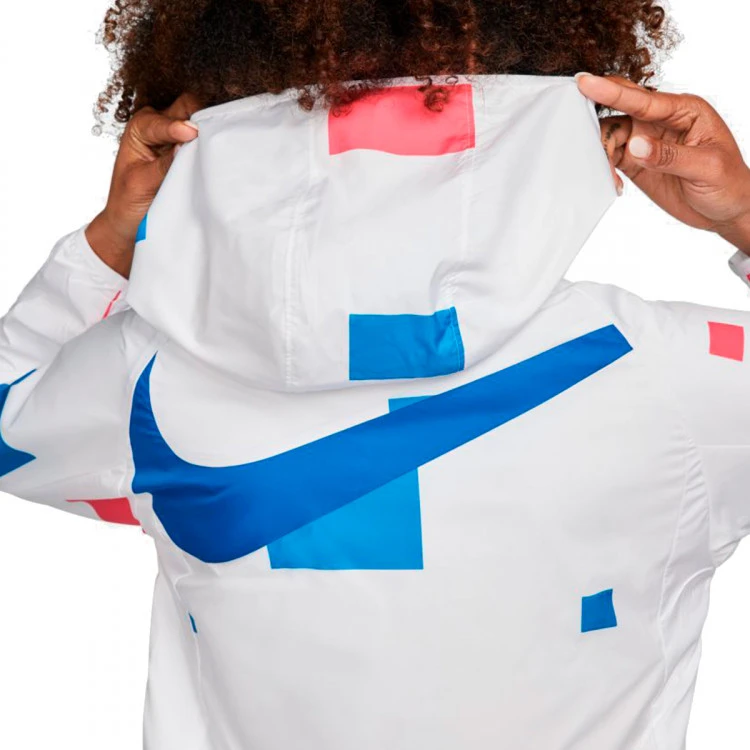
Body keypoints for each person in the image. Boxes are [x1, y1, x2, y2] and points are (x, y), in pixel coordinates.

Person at [3, 2, 750, 748]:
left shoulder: (153, 374)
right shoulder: (655, 371)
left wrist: (112, 239)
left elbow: (11, 428)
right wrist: (741, 216)